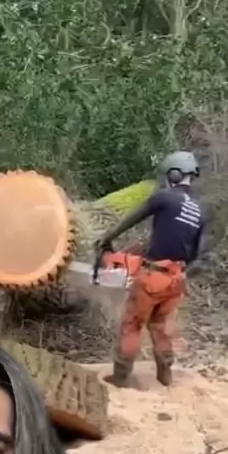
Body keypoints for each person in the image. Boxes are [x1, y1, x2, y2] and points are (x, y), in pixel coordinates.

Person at [95, 151, 206, 388]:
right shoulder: (199, 210)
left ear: (174, 174)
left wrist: (107, 237)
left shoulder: (165, 197)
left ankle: (120, 377)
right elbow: (196, 253)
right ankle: (165, 375)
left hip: (154, 277)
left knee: (133, 324)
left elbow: (132, 218)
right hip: (177, 279)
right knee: (161, 327)